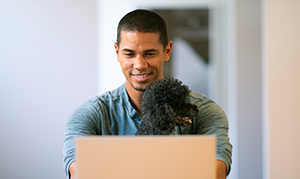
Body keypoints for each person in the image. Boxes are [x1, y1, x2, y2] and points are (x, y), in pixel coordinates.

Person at [63, 9, 232, 179]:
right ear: (117, 52)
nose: (139, 65)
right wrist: (151, 133)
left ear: (167, 51)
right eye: (129, 54)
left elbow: (215, 173)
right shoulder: (91, 115)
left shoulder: (203, 111)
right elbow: (80, 174)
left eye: (149, 54)